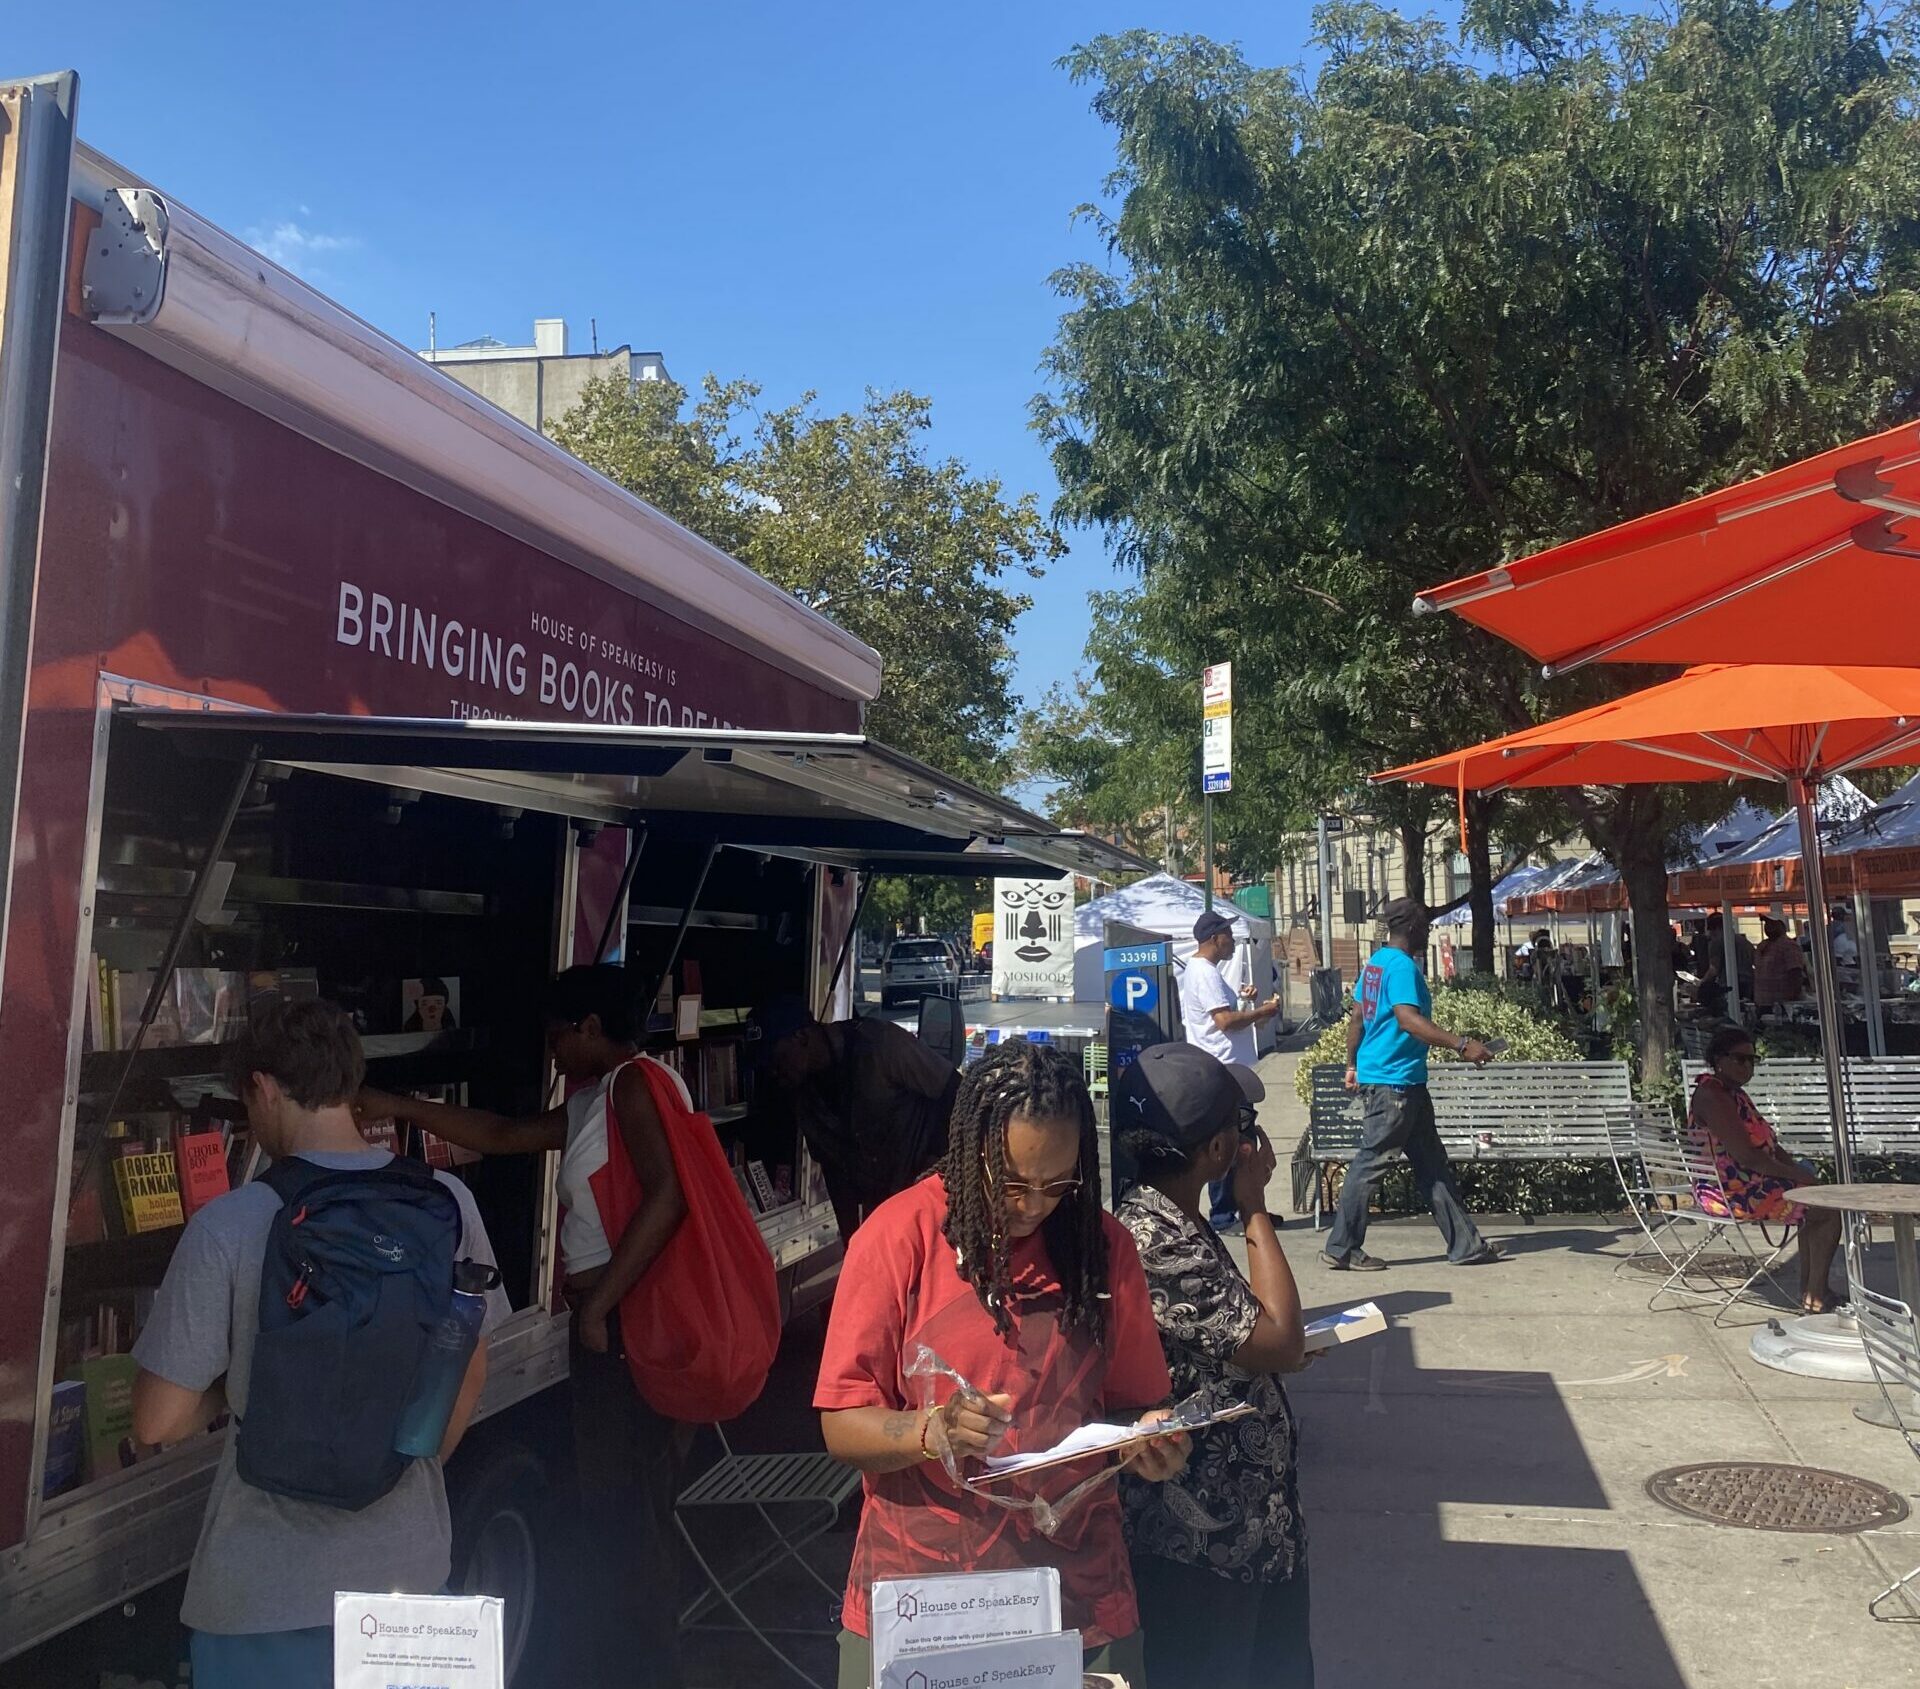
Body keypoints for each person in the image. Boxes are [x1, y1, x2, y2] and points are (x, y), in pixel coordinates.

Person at [129, 999, 508, 1689]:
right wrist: (398, 1463)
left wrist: (233, 1374)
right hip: (408, 1578)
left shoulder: (231, 1223)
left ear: (264, 1088)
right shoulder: (448, 1201)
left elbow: (156, 1419)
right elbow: (470, 1365)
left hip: (263, 1597)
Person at [814, 1038, 1190, 1689]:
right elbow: (841, 1423)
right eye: (1012, 1181)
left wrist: (1155, 1437)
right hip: (922, 1605)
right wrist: (930, 1431)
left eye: (1058, 1183)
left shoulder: (1101, 1246)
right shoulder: (897, 1235)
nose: (1034, 1204)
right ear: (970, 1152)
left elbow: (1135, 1403)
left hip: (1080, 1605)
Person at [360, 963, 690, 1689]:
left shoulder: (633, 1086)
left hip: (626, 1328)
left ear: (593, 1028)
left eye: (557, 1037)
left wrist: (599, 1306)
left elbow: (667, 1198)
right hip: (615, 1324)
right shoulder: (601, 1096)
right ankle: (631, 1663)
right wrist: (394, 1104)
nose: (550, 1054)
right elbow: (502, 1132)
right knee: (623, 1512)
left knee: (627, 1514)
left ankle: (642, 1670)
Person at [1115, 1043, 1313, 1689]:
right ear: (1219, 1150)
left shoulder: (1172, 1217)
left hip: (1249, 1537)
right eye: (1239, 1124)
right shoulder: (1156, 1239)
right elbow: (1280, 1339)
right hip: (1206, 1550)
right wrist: (1255, 1204)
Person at [1325, 898, 1503, 1270]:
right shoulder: (1403, 967)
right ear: (1412, 926)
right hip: (1396, 1085)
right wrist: (1461, 1044)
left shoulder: (1375, 964)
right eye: (1425, 924)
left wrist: (1352, 1064)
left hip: (1400, 1081)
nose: (1428, 930)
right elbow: (1407, 1019)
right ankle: (1342, 1247)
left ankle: (1465, 1245)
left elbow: (1357, 1018)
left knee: (1432, 1166)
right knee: (1371, 1162)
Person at [754, 994, 959, 1238]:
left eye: (777, 1060)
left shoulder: (883, 1044)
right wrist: (852, 1243)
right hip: (884, 1210)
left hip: (934, 1199)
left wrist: (939, 1161)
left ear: (801, 1036)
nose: (775, 1073)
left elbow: (957, 1093)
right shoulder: (803, 1098)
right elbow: (835, 1173)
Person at [1688, 1027, 1842, 1314]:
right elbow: (1747, 1157)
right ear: (1719, 1059)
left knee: (1818, 1198)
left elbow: (1769, 1143)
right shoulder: (1713, 1096)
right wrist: (1796, 1176)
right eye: (1740, 1059)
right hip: (1730, 1193)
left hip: (1750, 1182)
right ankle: (1815, 1294)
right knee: (1827, 1211)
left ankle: (1813, 1291)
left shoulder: (1735, 1094)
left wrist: (1797, 1170)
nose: (1748, 1066)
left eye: (1752, 1060)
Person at [1179, 909, 1282, 1232]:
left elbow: (1223, 1018)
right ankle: (1225, 1215)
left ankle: (1246, 1209)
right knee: (1232, 1142)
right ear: (1215, 938)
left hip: (1229, 1068)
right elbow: (1223, 1022)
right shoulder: (1204, 972)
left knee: (1241, 1140)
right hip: (1224, 1070)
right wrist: (1262, 1011)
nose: (1234, 941)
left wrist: (1246, 1005)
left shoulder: (1208, 972)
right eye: (1228, 934)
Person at [1753, 918, 1807, 1012]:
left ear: (1782, 926)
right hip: (1762, 1002)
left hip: (1781, 1004)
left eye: (1772, 924)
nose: (1768, 927)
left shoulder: (1789, 946)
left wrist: (1791, 999)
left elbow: (1795, 973)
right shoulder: (1762, 945)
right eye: (1767, 923)